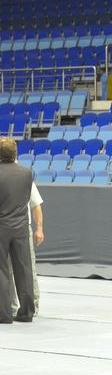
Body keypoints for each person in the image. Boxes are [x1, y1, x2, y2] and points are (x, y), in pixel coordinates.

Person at [0, 137, 35, 323]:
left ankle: (4, 314)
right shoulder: (26, 173)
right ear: (15, 153)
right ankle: (27, 312)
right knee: (24, 269)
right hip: (21, 226)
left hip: (1, 226)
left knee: (2, 270)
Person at [10, 182, 44, 316]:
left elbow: (36, 205)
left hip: (23, 228)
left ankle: (32, 305)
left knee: (28, 268)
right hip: (4, 228)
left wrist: (39, 228)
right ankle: (10, 306)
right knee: (6, 270)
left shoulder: (25, 178)